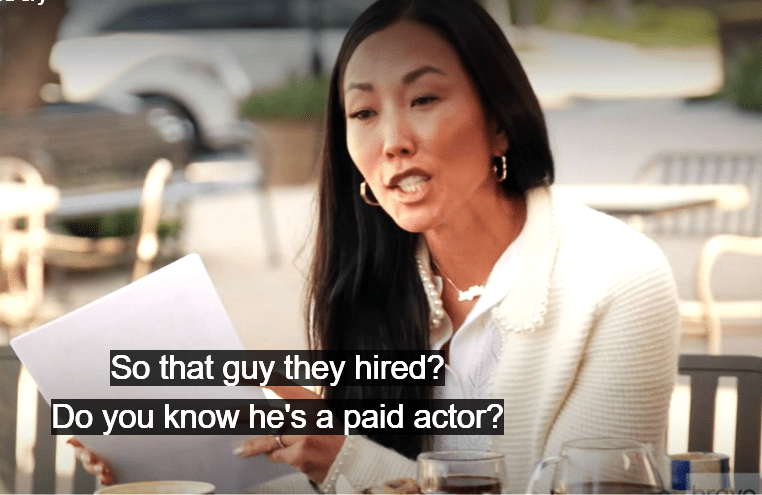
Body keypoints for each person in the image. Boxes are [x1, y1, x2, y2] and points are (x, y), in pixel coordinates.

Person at [73, 0, 679, 492]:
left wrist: (342, 456)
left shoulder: (618, 277)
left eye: (424, 99)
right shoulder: (374, 280)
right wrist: (181, 466)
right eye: (363, 112)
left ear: (499, 121)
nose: (392, 141)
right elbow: (353, 474)